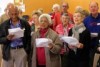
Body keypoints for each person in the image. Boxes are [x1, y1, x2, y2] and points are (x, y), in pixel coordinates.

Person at [83, 1, 100, 67]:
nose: (93, 8)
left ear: (98, 7)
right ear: (89, 8)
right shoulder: (86, 20)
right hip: (90, 47)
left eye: (94, 7)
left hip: (99, 46)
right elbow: (83, 33)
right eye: (91, 7)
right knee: (91, 64)